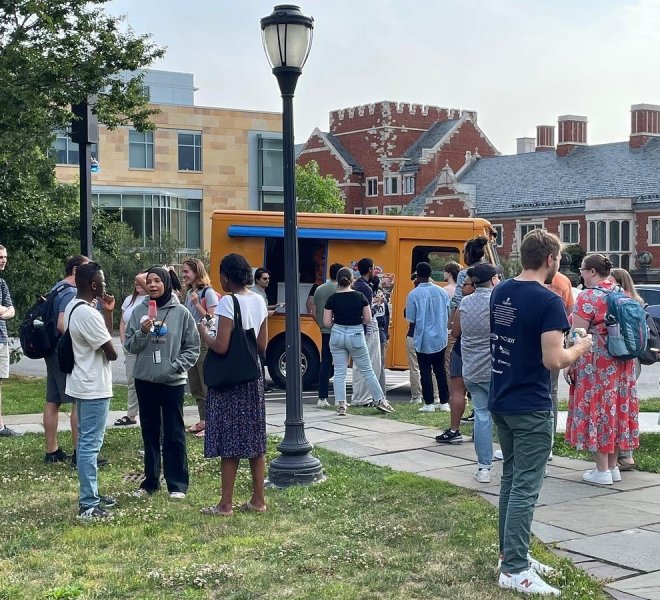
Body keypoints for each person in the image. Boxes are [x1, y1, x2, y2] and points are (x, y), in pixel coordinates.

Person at [491, 229, 592, 596]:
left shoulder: (501, 291)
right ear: (550, 260)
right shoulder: (548, 301)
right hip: (530, 404)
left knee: (510, 479)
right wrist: (579, 347)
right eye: (559, 260)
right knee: (525, 486)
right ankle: (515, 568)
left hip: (501, 398)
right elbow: (554, 360)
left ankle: (511, 554)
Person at [200, 253, 268, 516]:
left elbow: (221, 345)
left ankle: (225, 504)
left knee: (230, 442)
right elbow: (261, 345)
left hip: (231, 381)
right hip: (253, 378)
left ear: (226, 277)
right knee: (254, 440)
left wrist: (203, 331)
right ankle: (258, 500)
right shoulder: (259, 301)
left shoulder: (228, 301)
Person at [124, 267, 200, 499]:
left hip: (172, 381)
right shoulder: (139, 311)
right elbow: (129, 345)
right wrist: (142, 332)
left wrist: (175, 365)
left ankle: (177, 484)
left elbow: (193, 347)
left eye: (158, 280)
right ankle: (150, 482)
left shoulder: (181, 312)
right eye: (150, 281)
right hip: (145, 379)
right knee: (150, 432)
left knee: (174, 432)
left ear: (166, 282)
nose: (153, 285)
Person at [565, 254, 640, 486]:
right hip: (622, 363)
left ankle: (601, 470)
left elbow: (577, 335)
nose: (581, 274)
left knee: (598, 410)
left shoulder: (588, 297)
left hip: (596, 365)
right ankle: (612, 467)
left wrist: (569, 363)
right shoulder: (622, 293)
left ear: (593, 272)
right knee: (617, 410)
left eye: (583, 269)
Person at [65, 262, 118, 519]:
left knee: (89, 442)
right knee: (89, 445)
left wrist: (107, 313)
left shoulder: (75, 307)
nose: (105, 287)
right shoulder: (87, 314)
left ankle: (92, 494)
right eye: (103, 282)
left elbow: (103, 335)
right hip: (94, 386)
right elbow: (112, 351)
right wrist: (100, 316)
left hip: (82, 382)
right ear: (94, 285)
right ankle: (88, 504)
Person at [324, 267, 393, 416]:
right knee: (367, 370)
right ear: (351, 280)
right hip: (355, 333)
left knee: (340, 372)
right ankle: (380, 400)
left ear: (338, 280)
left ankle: (341, 404)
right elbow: (368, 319)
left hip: (337, 335)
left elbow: (327, 323)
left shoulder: (332, 298)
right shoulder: (360, 296)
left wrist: (338, 320)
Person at [439, 237, 489, 442]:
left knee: (457, 386)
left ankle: (454, 430)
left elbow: (457, 302)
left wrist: (451, 324)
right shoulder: (493, 273)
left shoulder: (464, 275)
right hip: (488, 341)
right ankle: (481, 425)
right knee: (484, 390)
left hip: (464, 338)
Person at [453, 263, 499, 483]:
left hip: (471, 368)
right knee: (502, 415)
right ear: (492, 280)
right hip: (495, 367)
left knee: (481, 414)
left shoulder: (465, 303)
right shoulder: (497, 302)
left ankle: (483, 467)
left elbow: (455, 331)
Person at [44, 254, 90, 464]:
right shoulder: (70, 292)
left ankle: (52, 450)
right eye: (87, 270)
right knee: (77, 401)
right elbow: (63, 324)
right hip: (63, 352)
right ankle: (78, 453)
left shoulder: (57, 287)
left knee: (52, 400)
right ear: (75, 271)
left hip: (50, 349)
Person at [608, 267, 644, 471]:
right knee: (626, 403)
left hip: (617, 355)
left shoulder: (616, 300)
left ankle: (620, 455)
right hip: (632, 358)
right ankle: (626, 453)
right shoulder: (635, 301)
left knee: (616, 404)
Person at [405, 262, 450, 414]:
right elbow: (448, 313)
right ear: (430, 274)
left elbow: (411, 318)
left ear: (417, 275)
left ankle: (429, 403)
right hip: (440, 336)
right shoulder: (442, 292)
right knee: (440, 370)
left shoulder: (413, 294)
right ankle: (444, 402)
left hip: (423, 337)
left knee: (424, 370)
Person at [181, 258, 219, 437]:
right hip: (190, 341)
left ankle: (211, 423)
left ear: (197, 272)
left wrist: (197, 304)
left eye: (186, 271)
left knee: (205, 383)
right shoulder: (189, 293)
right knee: (195, 384)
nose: (184, 275)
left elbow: (213, 319)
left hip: (204, 340)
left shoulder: (207, 293)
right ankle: (203, 420)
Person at [545, 269, 575, 459]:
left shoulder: (522, 281)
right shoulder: (563, 281)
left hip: (529, 344)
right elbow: (570, 312)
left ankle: (534, 440)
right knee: (551, 391)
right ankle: (549, 438)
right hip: (555, 339)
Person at [350, 258, 385, 407]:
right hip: (369, 329)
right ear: (370, 269)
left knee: (359, 364)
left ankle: (359, 396)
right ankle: (364, 397)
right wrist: (379, 303)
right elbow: (369, 314)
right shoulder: (366, 288)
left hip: (356, 327)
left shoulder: (355, 285)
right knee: (372, 364)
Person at [114, 272, 147, 427]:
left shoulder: (150, 300)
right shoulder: (129, 300)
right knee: (131, 380)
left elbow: (140, 277)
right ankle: (131, 414)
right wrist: (123, 341)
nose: (138, 285)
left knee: (145, 381)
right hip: (130, 344)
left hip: (144, 344)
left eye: (141, 282)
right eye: (136, 283)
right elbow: (122, 322)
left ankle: (144, 411)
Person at [312, 263, 343, 407]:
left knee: (325, 363)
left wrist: (321, 324)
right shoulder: (340, 289)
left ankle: (322, 398)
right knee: (339, 365)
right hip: (339, 329)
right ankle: (339, 398)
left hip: (325, 330)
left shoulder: (319, 289)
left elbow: (314, 311)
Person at [406, 274, 439, 404]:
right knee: (433, 368)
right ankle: (436, 396)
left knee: (415, 367)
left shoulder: (412, 297)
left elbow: (409, 317)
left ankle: (416, 396)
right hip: (431, 336)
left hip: (414, 334)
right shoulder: (437, 299)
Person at [0, 245, 18, 437]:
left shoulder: (2, 282)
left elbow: (11, 310)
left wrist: (4, 311)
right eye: (0, 257)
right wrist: (4, 310)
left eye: (5, 256)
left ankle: (0, 426)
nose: (3, 260)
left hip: (1, 337)